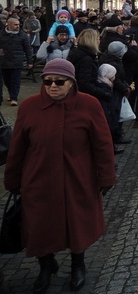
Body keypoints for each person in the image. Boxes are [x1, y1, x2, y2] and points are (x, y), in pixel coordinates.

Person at [4, 59, 116, 293]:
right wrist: (12, 178)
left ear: (71, 82)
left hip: (77, 178)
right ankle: (46, 266)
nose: (52, 86)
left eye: (59, 82)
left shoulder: (89, 105)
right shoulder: (29, 107)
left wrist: (106, 176)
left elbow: (102, 144)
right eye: (47, 82)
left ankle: (78, 265)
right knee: (39, 226)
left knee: (77, 224)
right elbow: (18, 147)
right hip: (38, 179)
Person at [0, 16, 34, 106]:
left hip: (17, 61)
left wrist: (29, 62)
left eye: (18, 24)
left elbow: (28, 49)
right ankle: (11, 93)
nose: (18, 26)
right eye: (15, 25)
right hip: (4, 61)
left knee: (15, 80)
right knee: (6, 80)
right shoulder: (1, 34)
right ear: (9, 24)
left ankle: (14, 98)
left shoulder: (22, 35)